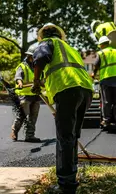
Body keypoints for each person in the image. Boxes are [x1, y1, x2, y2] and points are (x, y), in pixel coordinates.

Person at [31, 23, 93, 194]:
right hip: (85, 90)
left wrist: (36, 81)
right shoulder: (69, 48)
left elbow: (40, 58)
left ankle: (66, 185)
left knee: (65, 136)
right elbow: (65, 69)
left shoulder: (47, 43)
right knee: (72, 136)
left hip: (67, 89)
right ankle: (71, 176)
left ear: (43, 36)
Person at [11, 45, 41, 142]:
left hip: (36, 95)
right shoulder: (22, 66)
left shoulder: (37, 67)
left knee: (33, 116)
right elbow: (18, 77)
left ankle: (30, 135)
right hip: (24, 95)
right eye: (33, 56)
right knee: (23, 115)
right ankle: (14, 131)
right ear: (29, 56)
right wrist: (19, 82)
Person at [93, 36, 116, 128]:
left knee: (106, 101)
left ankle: (106, 120)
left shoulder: (101, 53)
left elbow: (96, 65)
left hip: (106, 78)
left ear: (102, 45)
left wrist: (93, 74)